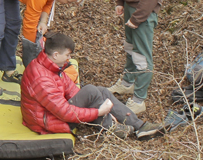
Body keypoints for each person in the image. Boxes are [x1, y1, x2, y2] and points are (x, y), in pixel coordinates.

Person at [21, 32, 162, 138]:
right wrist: (99, 112)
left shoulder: (51, 66)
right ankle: (110, 127)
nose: (69, 59)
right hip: (48, 121)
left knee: (99, 91)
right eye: (67, 55)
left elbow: (72, 91)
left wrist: (97, 105)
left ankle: (139, 126)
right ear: (56, 55)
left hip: (53, 112)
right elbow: (65, 113)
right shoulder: (41, 79)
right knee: (91, 91)